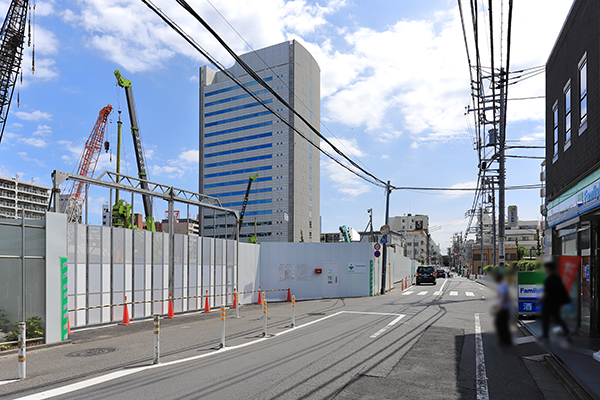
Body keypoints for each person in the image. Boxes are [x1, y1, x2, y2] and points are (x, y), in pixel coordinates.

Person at [535, 258, 572, 340]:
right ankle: (566, 331)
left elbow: (546, 292)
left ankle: (545, 335)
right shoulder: (556, 277)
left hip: (549, 302)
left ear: (548, 269)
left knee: (546, 317)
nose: (545, 270)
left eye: (546, 268)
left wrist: (539, 301)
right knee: (556, 317)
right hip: (556, 302)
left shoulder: (549, 279)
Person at [494, 271, 512, 345]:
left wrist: (500, 305)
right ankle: (505, 339)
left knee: (501, 323)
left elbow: (504, 295)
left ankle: (505, 340)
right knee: (502, 324)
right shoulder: (502, 284)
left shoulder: (503, 285)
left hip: (504, 308)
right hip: (504, 307)